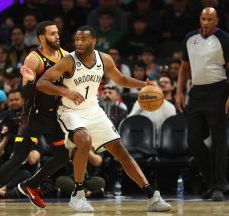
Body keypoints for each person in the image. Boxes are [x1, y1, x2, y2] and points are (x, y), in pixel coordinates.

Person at [36, 25, 172, 212]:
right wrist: (65, 92)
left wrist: (144, 84)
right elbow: (41, 83)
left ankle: (152, 196)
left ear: (94, 41)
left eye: (83, 39)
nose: (79, 43)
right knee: (84, 140)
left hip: (93, 109)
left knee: (121, 152)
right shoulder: (69, 61)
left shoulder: (104, 59)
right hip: (69, 110)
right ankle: (78, 194)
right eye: (76, 39)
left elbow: (121, 79)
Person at [0, 21, 70, 213]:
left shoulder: (65, 56)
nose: (57, 36)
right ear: (42, 37)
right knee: (18, 158)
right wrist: (31, 81)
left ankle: (31, 185)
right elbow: (26, 94)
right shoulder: (34, 59)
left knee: (62, 157)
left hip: (52, 116)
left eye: (57, 32)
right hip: (31, 115)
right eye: (52, 34)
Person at [176, 7, 229, 201]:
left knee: (218, 141)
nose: (206, 22)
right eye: (203, 19)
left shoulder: (224, 38)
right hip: (197, 92)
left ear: (217, 21)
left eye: (210, 19)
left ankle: (219, 186)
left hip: (220, 90)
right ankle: (212, 181)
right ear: (200, 19)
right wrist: (179, 92)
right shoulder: (190, 38)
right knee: (194, 140)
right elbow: (183, 68)